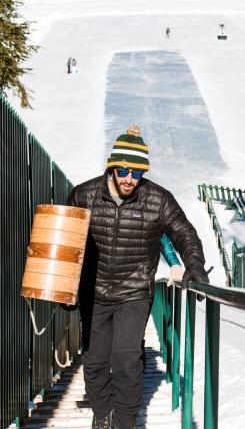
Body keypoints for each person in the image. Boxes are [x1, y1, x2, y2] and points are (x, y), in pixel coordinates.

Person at [66, 124, 208, 429]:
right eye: (125, 171)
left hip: (134, 292)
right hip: (93, 291)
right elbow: (64, 241)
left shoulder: (158, 199)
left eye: (138, 173)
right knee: (94, 361)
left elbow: (183, 232)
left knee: (126, 360)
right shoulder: (83, 195)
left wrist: (195, 266)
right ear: (113, 167)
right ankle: (102, 412)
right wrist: (62, 287)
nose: (131, 179)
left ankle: (125, 423)